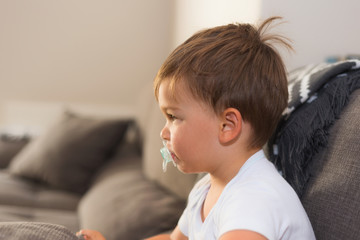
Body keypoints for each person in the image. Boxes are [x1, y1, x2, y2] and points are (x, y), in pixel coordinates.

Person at [77, 16, 316, 240]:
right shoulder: (206, 187)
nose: (163, 132)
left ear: (227, 126)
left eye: (173, 116)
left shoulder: (253, 200)